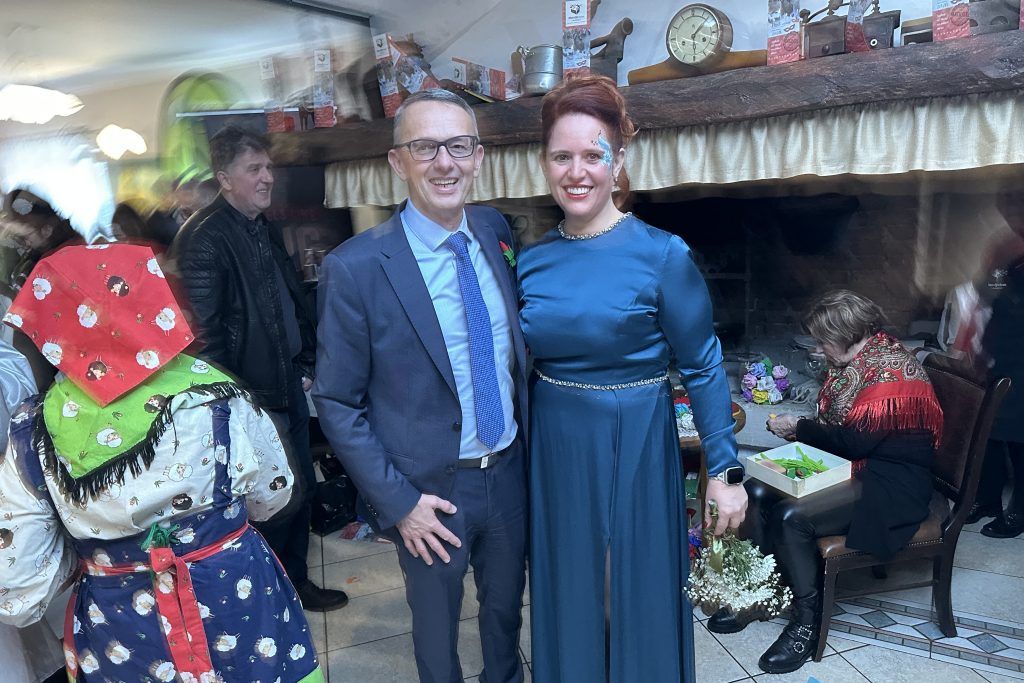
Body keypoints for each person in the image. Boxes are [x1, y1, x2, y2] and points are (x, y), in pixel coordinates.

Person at [0, 243, 324, 682]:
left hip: (122, 630)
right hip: (238, 599)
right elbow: (273, 494)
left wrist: (95, 553)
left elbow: (19, 587)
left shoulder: (33, 432)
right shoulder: (216, 394)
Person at [516, 74, 747, 683]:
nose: (577, 172)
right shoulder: (531, 260)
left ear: (618, 163)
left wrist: (724, 472)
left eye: (593, 156)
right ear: (544, 164)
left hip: (636, 438)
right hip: (556, 444)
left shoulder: (663, 254)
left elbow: (703, 363)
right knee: (569, 589)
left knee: (628, 590)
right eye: (561, 156)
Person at [313, 89, 528, 683]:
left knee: (506, 612)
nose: (444, 162)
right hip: (428, 493)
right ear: (397, 161)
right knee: (436, 632)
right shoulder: (356, 267)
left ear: (478, 157)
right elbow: (336, 401)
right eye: (425, 147)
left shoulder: (494, 229)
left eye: (458, 146)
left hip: (507, 470)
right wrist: (400, 503)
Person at [170, 126, 346, 611]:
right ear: (225, 178)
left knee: (300, 488)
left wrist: (305, 359)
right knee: (275, 500)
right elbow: (205, 336)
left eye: (268, 167)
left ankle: (295, 584)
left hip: (285, 381)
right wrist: (236, 404)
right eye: (255, 169)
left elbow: (287, 298)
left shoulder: (259, 224)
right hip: (252, 396)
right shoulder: (204, 237)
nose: (268, 177)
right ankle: (273, 596)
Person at [720, 290, 943, 674]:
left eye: (824, 341)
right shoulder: (859, 360)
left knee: (792, 517)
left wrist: (799, 426)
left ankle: (806, 621)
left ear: (846, 334)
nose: (819, 349)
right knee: (755, 489)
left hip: (893, 481)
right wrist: (804, 428)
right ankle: (763, 590)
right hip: (857, 464)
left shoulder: (887, 370)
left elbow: (854, 442)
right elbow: (847, 439)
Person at [967, 195, 1024, 538]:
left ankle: (1019, 511)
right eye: (1008, 211)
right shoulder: (1005, 246)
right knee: (987, 429)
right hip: (1001, 351)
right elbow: (990, 293)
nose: (1011, 217)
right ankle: (987, 498)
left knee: (1019, 436)